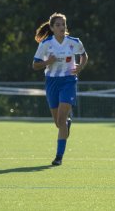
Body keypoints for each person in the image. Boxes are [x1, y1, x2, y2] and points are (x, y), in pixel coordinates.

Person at [32, 13, 88, 166]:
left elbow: (84, 55)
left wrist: (81, 66)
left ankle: (58, 157)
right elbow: (35, 65)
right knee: (58, 123)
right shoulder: (46, 44)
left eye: (63, 24)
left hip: (68, 81)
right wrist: (47, 62)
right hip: (52, 83)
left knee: (61, 120)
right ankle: (67, 123)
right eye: (58, 25)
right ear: (52, 27)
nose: (61, 27)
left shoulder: (74, 42)